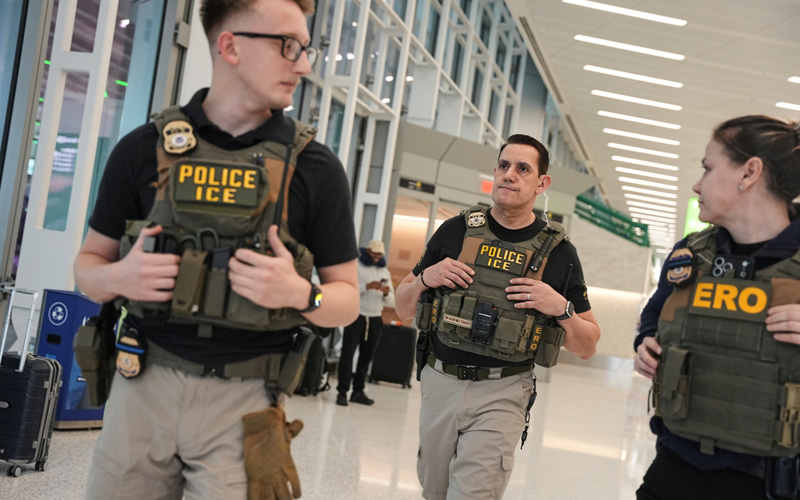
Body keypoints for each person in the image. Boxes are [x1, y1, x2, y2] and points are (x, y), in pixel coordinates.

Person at [72, 1, 359, 498]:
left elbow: (347, 302)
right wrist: (119, 279)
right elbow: (86, 267)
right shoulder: (143, 148)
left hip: (247, 406)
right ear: (230, 45)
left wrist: (301, 294)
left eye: (307, 48)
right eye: (288, 45)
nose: (304, 64)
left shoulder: (315, 168)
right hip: (141, 388)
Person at [394, 133, 601, 500]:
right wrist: (426, 278)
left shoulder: (560, 253)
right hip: (440, 383)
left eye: (523, 168)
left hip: (503, 390)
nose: (510, 174)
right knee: (434, 491)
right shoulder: (456, 230)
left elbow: (588, 345)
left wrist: (561, 308)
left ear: (542, 183)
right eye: (504, 166)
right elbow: (403, 305)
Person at [633, 115, 800, 500]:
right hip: (674, 467)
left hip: (769, 482)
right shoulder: (691, 255)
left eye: (708, 168)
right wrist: (645, 344)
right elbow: (657, 315)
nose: (697, 183)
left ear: (749, 172)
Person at [336, 239, 395, 406]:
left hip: (375, 318)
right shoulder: (357, 267)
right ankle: (342, 391)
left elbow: (391, 301)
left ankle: (358, 391)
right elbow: (349, 290)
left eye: (379, 254)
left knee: (366, 357)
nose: (377, 257)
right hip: (356, 316)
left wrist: (385, 293)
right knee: (347, 354)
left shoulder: (385, 271)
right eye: (374, 253)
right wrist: (367, 286)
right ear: (367, 251)